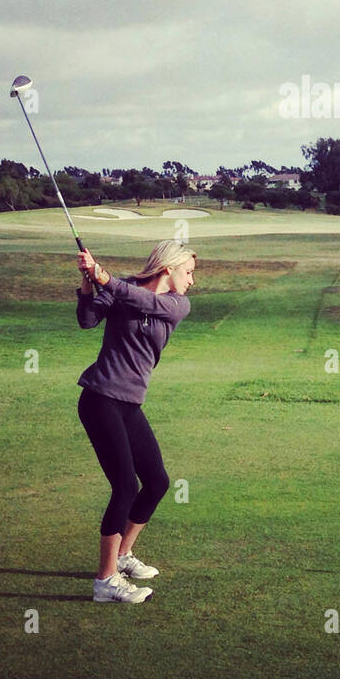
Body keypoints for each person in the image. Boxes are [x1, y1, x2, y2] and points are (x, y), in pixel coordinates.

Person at [75, 240, 196, 604]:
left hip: (129, 404)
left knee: (157, 482)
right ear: (168, 268)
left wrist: (104, 277)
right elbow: (86, 320)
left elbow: (143, 302)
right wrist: (87, 283)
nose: (192, 280)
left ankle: (123, 555)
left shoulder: (176, 305)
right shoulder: (122, 288)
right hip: (100, 399)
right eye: (188, 272)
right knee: (125, 487)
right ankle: (105, 581)